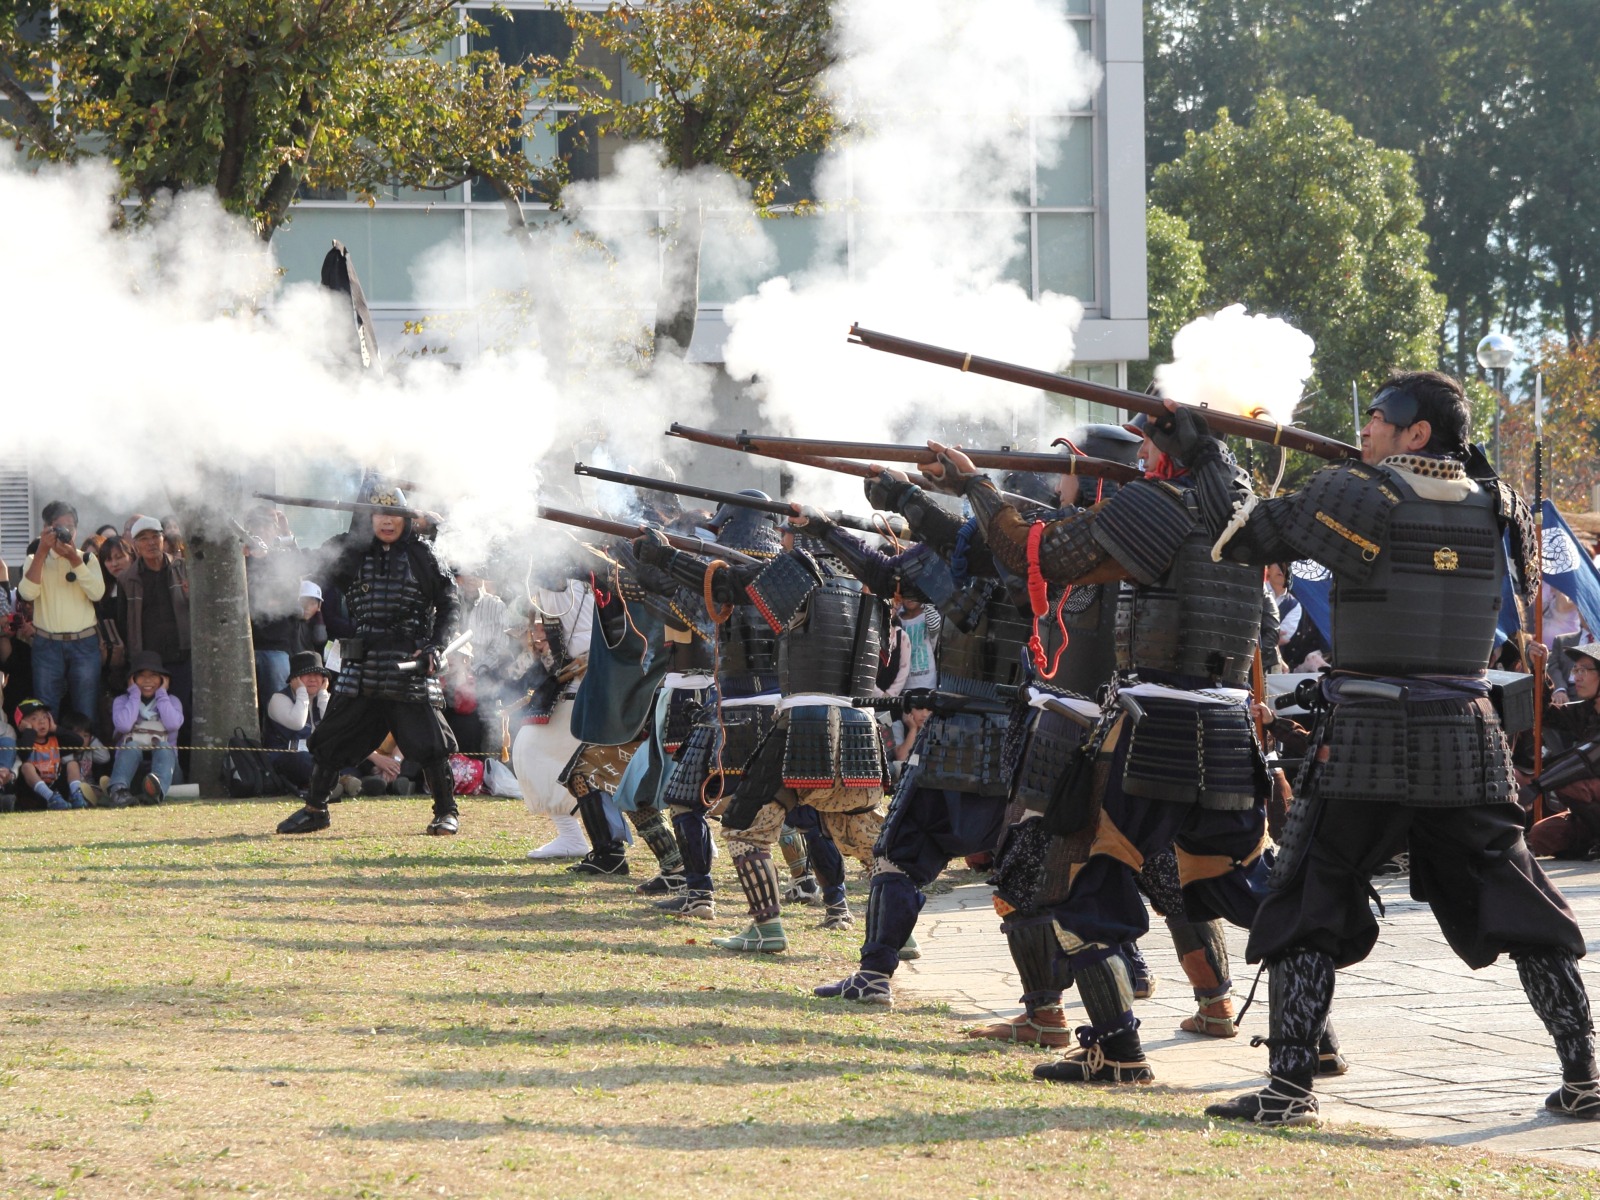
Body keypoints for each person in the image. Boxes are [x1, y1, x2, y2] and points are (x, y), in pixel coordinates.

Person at [1160, 368, 1599, 1126]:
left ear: (1416, 432)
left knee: (1306, 900)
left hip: (1367, 734)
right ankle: (1585, 1073)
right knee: (1521, 903)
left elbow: (1243, 535)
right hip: (1465, 735)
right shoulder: (1501, 504)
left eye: (1379, 420)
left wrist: (1208, 458)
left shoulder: (1358, 493)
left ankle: (1291, 1088)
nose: (1363, 431)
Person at [918, 420, 1274, 1085]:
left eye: (1151, 445)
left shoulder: (1149, 513)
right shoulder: (1239, 513)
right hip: (1216, 731)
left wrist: (973, 484)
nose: (1144, 455)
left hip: (1131, 730)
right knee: (1234, 890)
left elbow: (1039, 549)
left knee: (1057, 885)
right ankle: (1295, 1035)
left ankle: (1105, 1042)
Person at [634, 516, 890, 953]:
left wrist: (663, 556)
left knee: (744, 830)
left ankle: (767, 929)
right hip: (859, 730)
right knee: (868, 839)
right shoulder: (866, 585)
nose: (781, 542)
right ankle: (898, 937)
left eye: (789, 537)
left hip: (806, 721)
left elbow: (725, 587)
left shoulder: (802, 578)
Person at [274, 485, 462, 836]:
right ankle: (316, 808)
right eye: (378, 514)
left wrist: (435, 646)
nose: (387, 522)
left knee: (430, 744)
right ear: (368, 518)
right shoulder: (352, 552)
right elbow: (313, 567)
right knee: (330, 739)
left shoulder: (424, 556)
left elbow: (450, 604)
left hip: (407, 663)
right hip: (361, 665)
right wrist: (287, 540)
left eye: (394, 515)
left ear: (406, 520)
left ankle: (446, 811)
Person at [18, 501, 105, 726]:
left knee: (86, 707)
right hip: (47, 644)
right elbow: (27, 593)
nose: (66, 531)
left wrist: (74, 560)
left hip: (84, 644)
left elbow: (97, 594)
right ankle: (51, 759)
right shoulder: (33, 560)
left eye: (71, 526)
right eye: (59, 526)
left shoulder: (87, 558)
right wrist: (41, 552)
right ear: (46, 528)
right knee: (46, 710)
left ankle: (84, 759)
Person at [118, 515, 193, 767]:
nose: (151, 543)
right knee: (147, 719)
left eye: (155, 537)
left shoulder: (183, 568)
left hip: (182, 655)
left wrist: (190, 596)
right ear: (135, 544)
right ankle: (150, 771)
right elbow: (121, 622)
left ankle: (184, 769)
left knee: (183, 716)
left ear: (164, 538)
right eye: (143, 539)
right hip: (147, 663)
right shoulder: (127, 579)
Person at [1524, 642, 1600, 858]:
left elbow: (1587, 759)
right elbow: (1544, 714)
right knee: (1542, 835)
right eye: (1575, 670)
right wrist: (1539, 669)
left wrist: (1538, 786)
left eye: (1584, 670)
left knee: (1573, 784)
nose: (1576, 677)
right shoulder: (1585, 711)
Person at [107, 651, 183, 806]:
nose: (147, 680)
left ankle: (154, 792)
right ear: (132, 679)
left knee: (163, 746)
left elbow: (173, 724)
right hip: (133, 773)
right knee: (131, 746)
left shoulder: (172, 701)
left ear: (163, 679)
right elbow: (124, 725)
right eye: (141, 675)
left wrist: (162, 694)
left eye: (154, 675)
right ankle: (119, 791)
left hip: (167, 773)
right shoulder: (121, 701)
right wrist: (134, 694)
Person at [264, 650, 337, 794]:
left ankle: (339, 782)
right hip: (288, 757)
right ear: (295, 679)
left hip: (316, 756)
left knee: (342, 759)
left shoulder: (323, 698)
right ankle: (338, 783)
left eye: (317, 674)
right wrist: (301, 692)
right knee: (302, 760)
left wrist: (323, 694)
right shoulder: (278, 699)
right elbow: (298, 723)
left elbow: (333, 726)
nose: (313, 679)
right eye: (307, 674)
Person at [13, 698, 87, 810]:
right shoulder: (21, 742)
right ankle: (51, 798)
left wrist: (55, 728)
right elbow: (24, 753)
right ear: (22, 723)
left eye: (44, 717)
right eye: (34, 718)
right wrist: (28, 731)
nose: (42, 721)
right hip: (35, 792)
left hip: (57, 787)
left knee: (72, 764)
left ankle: (76, 795)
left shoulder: (55, 740)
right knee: (26, 766)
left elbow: (78, 742)